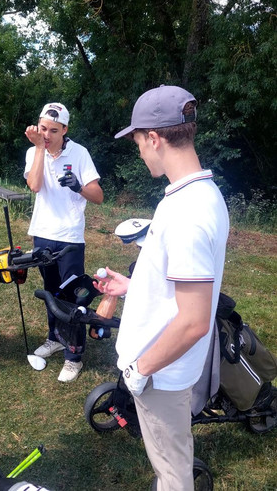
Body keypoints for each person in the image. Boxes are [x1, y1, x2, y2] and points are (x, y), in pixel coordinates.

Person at [94, 85, 229, 489]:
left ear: (154, 138)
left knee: (172, 473)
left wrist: (141, 369)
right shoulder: (196, 193)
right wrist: (134, 287)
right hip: (163, 370)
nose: (139, 151)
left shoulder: (188, 213)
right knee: (171, 464)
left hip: (161, 376)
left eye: (138, 141)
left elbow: (194, 322)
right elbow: (179, 285)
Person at [24, 102, 103, 382]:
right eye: (43, 128)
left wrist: (78, 186)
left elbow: (98, 195)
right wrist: (39, 149)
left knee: (72, 296)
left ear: (65, 130)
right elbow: (35, 186)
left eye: (53, 131)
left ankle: (73, 357)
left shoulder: (79, 153)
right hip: (43, 233)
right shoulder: (34, 152)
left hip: (69, 236)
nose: (46, 135)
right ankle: (55, 338)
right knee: (51, 293)